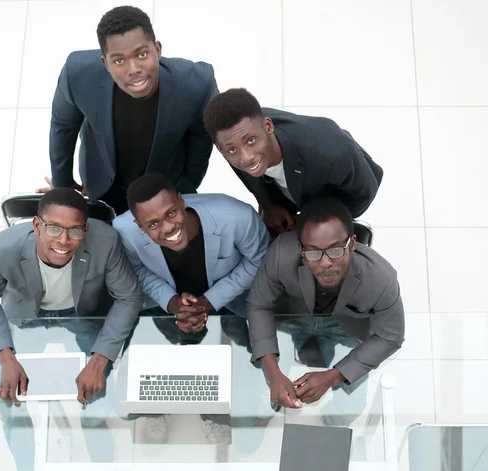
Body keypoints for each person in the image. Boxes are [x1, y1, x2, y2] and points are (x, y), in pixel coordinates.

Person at [0, 188, 142, 470]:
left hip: (81, 314)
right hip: (26, 317)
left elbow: (129, 297)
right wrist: (6, 356)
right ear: (37, 225)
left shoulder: (106, 240)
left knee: (98, 384)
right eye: (54, 229)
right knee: (7, 398)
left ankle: (94, 425)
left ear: (86, 228)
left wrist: (99, 361)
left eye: (75, 231)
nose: (64, 241)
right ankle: (26, 465)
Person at [113, 172, 270, 444]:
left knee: (246, 361)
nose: (168, 228)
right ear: (139, 227)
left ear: (182, 202)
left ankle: (221, 415)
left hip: (228, 299)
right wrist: (172, 303)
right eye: (153, 224)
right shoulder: (123, 230)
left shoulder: (237, 216)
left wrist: (209, 301)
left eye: (172, 213)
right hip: (167, 301)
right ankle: (157, 406)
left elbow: (259, 260)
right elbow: (135, 270)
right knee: (157, 357)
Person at [44, 5, 218, 215]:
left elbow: (202, 138)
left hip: (162, 189)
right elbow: (63, 126)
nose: (133, 69)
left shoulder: (197, 82)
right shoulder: (77, 72)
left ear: (158, 49)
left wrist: (186, 186)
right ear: (105, 63)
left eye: (142, 54)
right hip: (100, 185)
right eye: (119, 60)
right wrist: (63, 190)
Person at [246, 196, 404, 422]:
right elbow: (258, 304)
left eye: (335, 250)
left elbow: (391, 337)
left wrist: (333, 376)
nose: (325, 263)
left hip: (346, 328)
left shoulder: (381, 278)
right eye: (313, 252)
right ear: (300, 249)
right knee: (257, 390)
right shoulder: (282, 252)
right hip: (292, 319)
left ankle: (331, 427)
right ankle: (264, 415)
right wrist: (273, 375)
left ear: (351, 243)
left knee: (350, 407)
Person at [203, 88, 383, 236]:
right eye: (232, 150)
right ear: (221, 149)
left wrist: (316, 219)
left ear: (268, 126)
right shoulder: (232, 141)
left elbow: (365, 192)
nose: (246, 158)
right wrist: (269, 205)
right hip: (283, 188)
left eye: (251, 140)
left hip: (328, 188)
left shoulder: (332, 155)